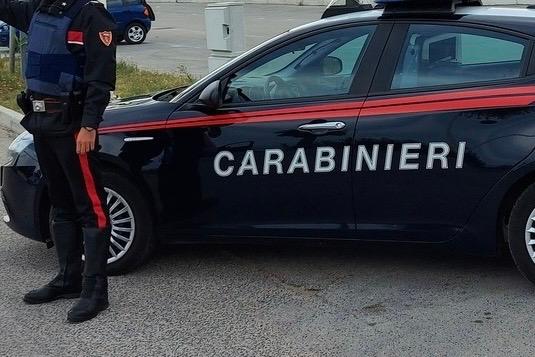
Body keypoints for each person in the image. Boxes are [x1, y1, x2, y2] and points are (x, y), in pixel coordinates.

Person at [0, 0, 116, 322]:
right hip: (42, 123)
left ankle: (96, 293)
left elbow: (101, 77)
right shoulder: (39, 9)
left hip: (73, 126)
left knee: (90, 209)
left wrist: (89, 125)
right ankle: (68, 279)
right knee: (61, 206)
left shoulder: (91, 16)